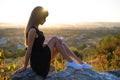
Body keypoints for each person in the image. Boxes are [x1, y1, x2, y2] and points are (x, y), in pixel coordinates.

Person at [16, 6, 92, 79]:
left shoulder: (35, 28)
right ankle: (70, 62)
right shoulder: (32, 30)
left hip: (41, 57)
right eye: (44, 18)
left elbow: (37, 45)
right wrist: (25, 66)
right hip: (38, 62)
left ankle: (80, 62)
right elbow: (29, 50)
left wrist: (50, 45)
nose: (45, 20)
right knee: (55, 39)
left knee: (61, 43)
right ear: (38, 17)